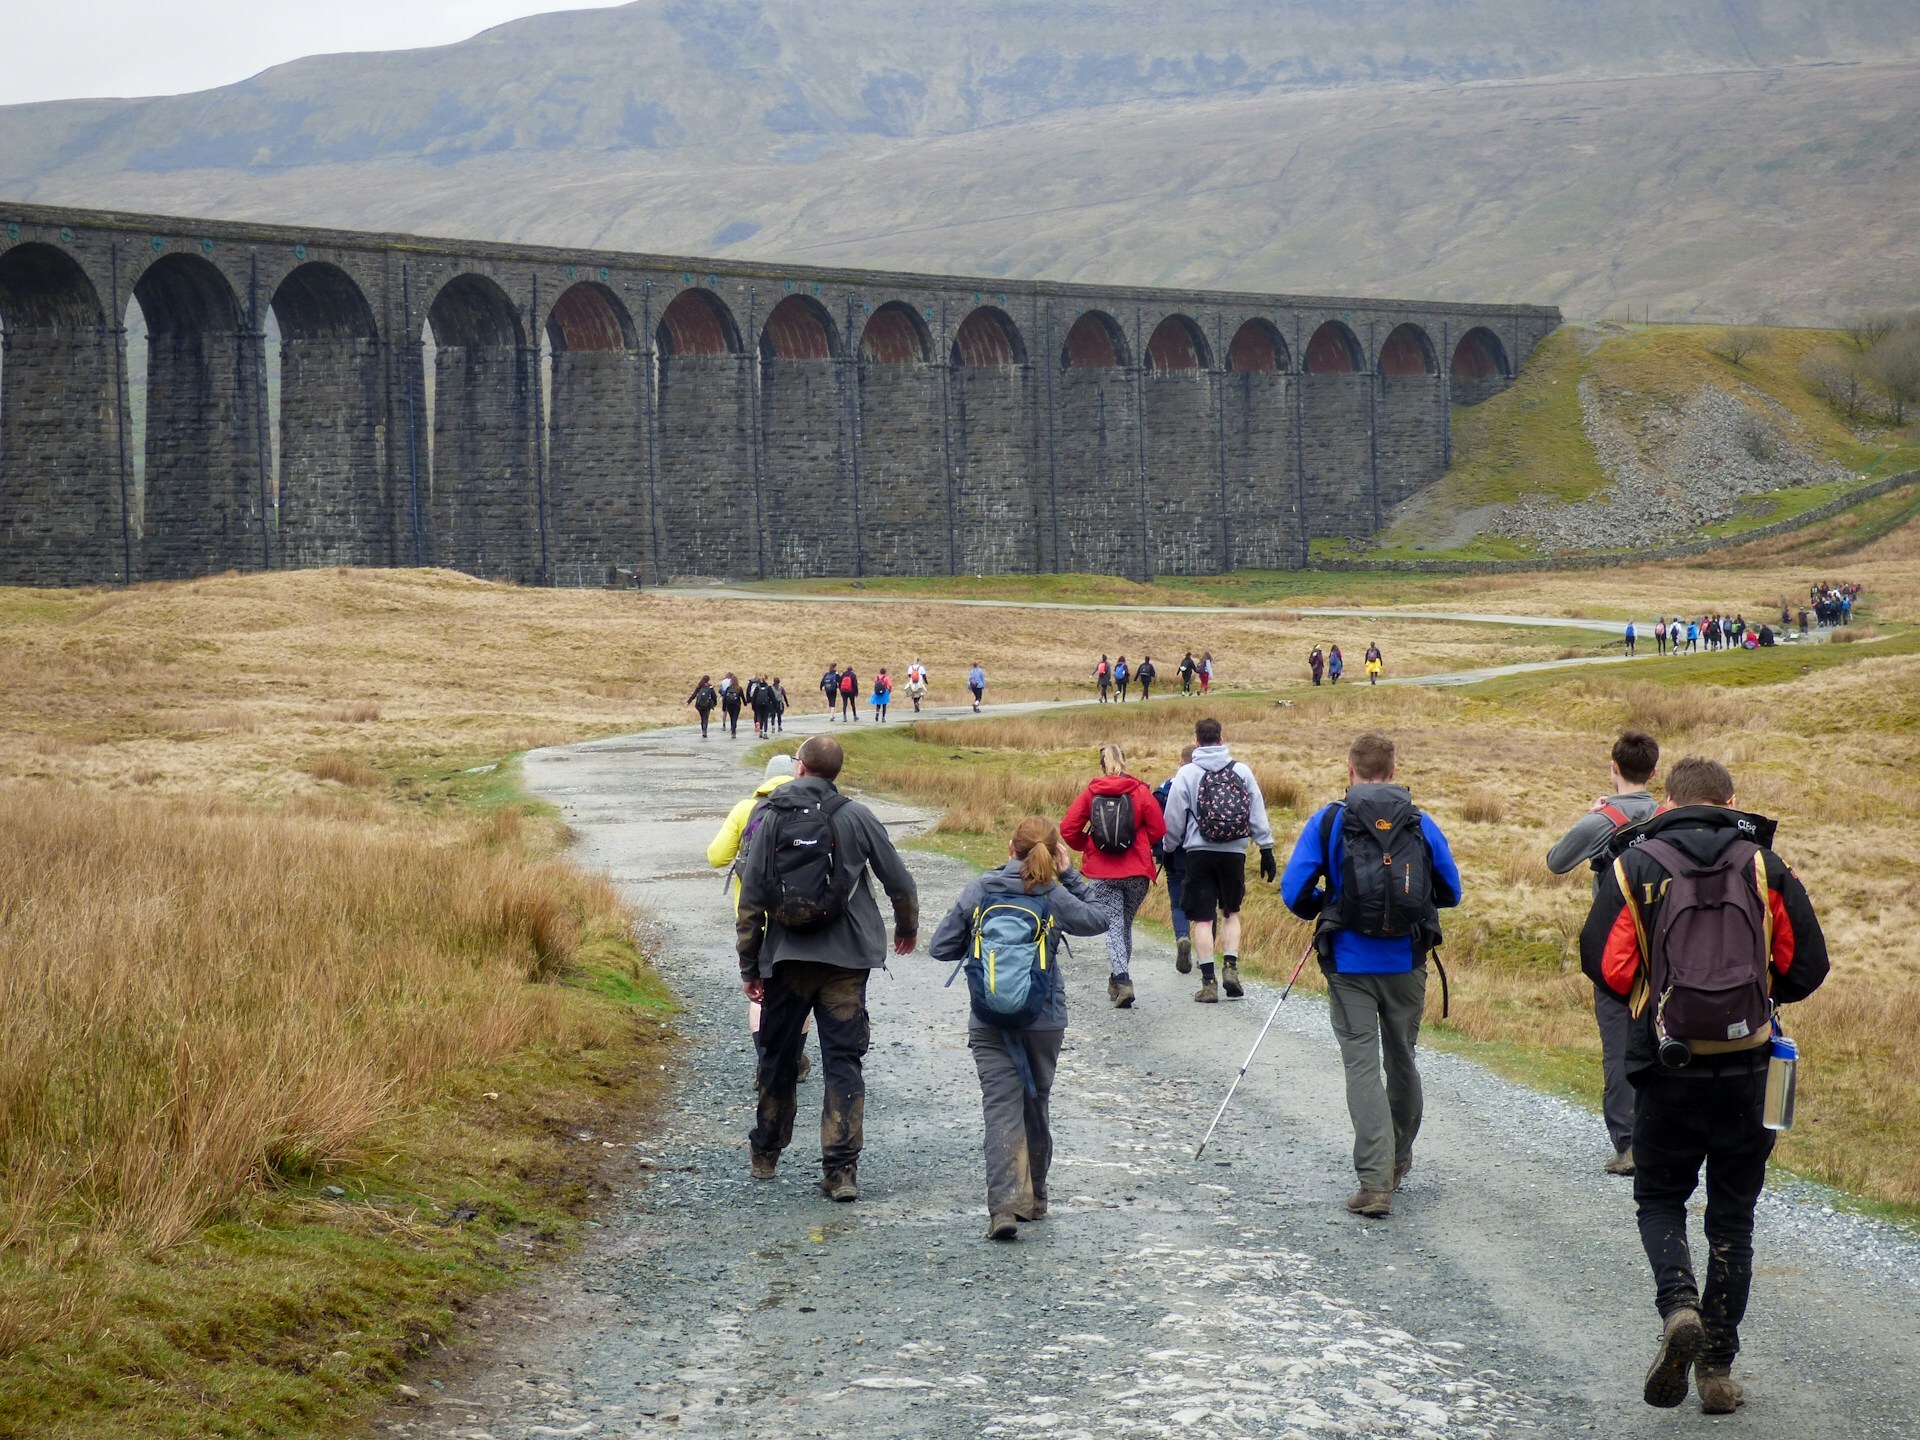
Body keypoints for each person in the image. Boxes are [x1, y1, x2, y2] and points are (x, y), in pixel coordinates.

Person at [1579, 756, 1828, 1415]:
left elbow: (1606, 964)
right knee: (1733, 1217)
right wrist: (1756, 998)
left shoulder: (1636, 863)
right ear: (1731, 800)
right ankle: (1716, 1369)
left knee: (1659, 1200)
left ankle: (1678, 1307)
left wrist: (1653, 996)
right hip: (1749, 1067)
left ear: (1668, 802)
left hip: (1667, 1067)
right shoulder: (1764, 864)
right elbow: (1807, 965)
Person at [1281, 732, 1461, 1218]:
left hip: (1349, 963)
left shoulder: (1330, 821)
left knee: (1362, 1066)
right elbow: (1452, 892)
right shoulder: (1421, 823)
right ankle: (1399, 1161)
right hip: (1408, 960)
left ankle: (1374, 1183)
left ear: (1349, 768)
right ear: (1394, 770)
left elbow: (1294, 891)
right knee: (1402, 1059)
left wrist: (1331, 907)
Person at [737, 735, 919, 1201]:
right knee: (843, 1061)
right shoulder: (856, 816)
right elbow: (899, 879)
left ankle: (766, 1151)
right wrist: (905, 928)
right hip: (847, 962)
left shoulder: (768, 816)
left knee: (777, 1057)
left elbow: (752, 896)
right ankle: (840, 1172)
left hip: (786, 959)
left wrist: (749, 966)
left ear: (800, 769)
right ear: (835, 772)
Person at [928, 818, 1106, 1240]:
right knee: (1034, 1102)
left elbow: (939, 947)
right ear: (1055, 854)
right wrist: (1070, 876)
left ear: (1011, 848)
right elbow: (1100, 918)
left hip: (988, 1019)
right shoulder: (1055, 893)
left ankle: (1005, 1207)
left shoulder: (981, 889)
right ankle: (1037, 1198)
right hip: (1043, 1019)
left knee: (1000, 1108)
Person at [1545, 729, 1661, 1176]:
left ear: (1614, 768)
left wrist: (1590, 816)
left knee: (1620, 1045)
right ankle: (1669, 1140)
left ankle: (1631, 1146)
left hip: (1618, 950)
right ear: (1653, 771)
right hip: (1670, 945)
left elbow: (1556, 861)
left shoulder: (1604, 820)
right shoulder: (1669, 815)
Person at [708, 753, 810, 1084]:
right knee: (800, 985)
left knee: (761, 989)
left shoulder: (745, 808)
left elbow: (716, 857)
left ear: (765, 778)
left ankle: (766, 1064)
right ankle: (795, 1060)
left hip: (754, 914)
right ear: (797, 774)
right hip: (798, 912)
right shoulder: (809, 807)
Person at [1159, 718, 1275, 1004]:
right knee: (1231, 912)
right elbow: (1257, 810)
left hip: (1198, 852)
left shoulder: (1186, 773)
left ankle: (1209, 982)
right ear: (1221, 739)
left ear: (1197, 741)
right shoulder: (1242, 771)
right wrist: (1266, 848)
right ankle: (1231, 967)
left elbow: (1173, 818)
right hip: (1234, 852)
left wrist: (1168, 847)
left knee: (1201, 918)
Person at [1060, 744, 1167, 1009]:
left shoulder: (1091, 793)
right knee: (1123, 925)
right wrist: (1140, 844)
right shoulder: (1140, 791)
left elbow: (1067, 828)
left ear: (1102, 766)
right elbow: (1158, 829)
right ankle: (1119, 979)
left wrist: (1089, 845)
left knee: (1114, 926)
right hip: (1136, 872)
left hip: (1102, 872)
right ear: (1125, 762)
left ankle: (1121, 979)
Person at [1152, 746, 1196, 972]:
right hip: (1203, 854)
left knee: (1178, 905)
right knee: (1207, 907)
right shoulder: (1208, 783)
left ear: (1180, 762)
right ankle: (1204, 957)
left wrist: (1160, 852)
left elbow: (1156, 824)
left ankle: (1182, 937)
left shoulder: (1166, 788)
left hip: (1174, 854)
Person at [686, 674, 718, 739]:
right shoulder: (710, 687)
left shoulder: (700, 686)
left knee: (702, 718)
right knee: (705, 718)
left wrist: (688, 702)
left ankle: (703, 730)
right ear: (708, 680)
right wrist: (714, 703)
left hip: (699, 705)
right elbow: (714, 696)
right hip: (707, 705)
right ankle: (704, 731)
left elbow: (694, 694)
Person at [719, 672, 744, 739]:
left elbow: (724, 698)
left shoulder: (728, 688)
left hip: (729, 705)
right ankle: (733, 731)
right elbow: (742, 697)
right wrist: (745, 703)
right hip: (737, 705)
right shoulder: (739, 688)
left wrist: (724, 707)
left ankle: (732, 730)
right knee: (735, 718)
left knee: (731, 718)